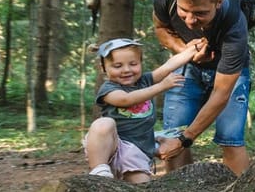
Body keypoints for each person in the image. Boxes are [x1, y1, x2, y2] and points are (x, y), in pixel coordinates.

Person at [151, 0, 252, 176]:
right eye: (183, 11)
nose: (189, 20)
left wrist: (186, 139)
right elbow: (160, 28)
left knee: (230, 137)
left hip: (230, 73)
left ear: (218, 2)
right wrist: (184, 50)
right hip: (186, 67)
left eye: (200, 13)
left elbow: (221, 93)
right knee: (172, 133)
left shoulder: (234, 22)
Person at [85, 37, 204, 183]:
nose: (126, 70)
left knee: (141, 189)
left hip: (138, 150)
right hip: (114, 146)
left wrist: (194, 49)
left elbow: (168, 66)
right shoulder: (109, 89)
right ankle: (99, 171)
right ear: (104, 68)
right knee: (103, 124)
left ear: (141, 63)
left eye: (133, 64)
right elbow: (126, 99)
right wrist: (161, 87)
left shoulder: (144, 81)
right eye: (117, 66)